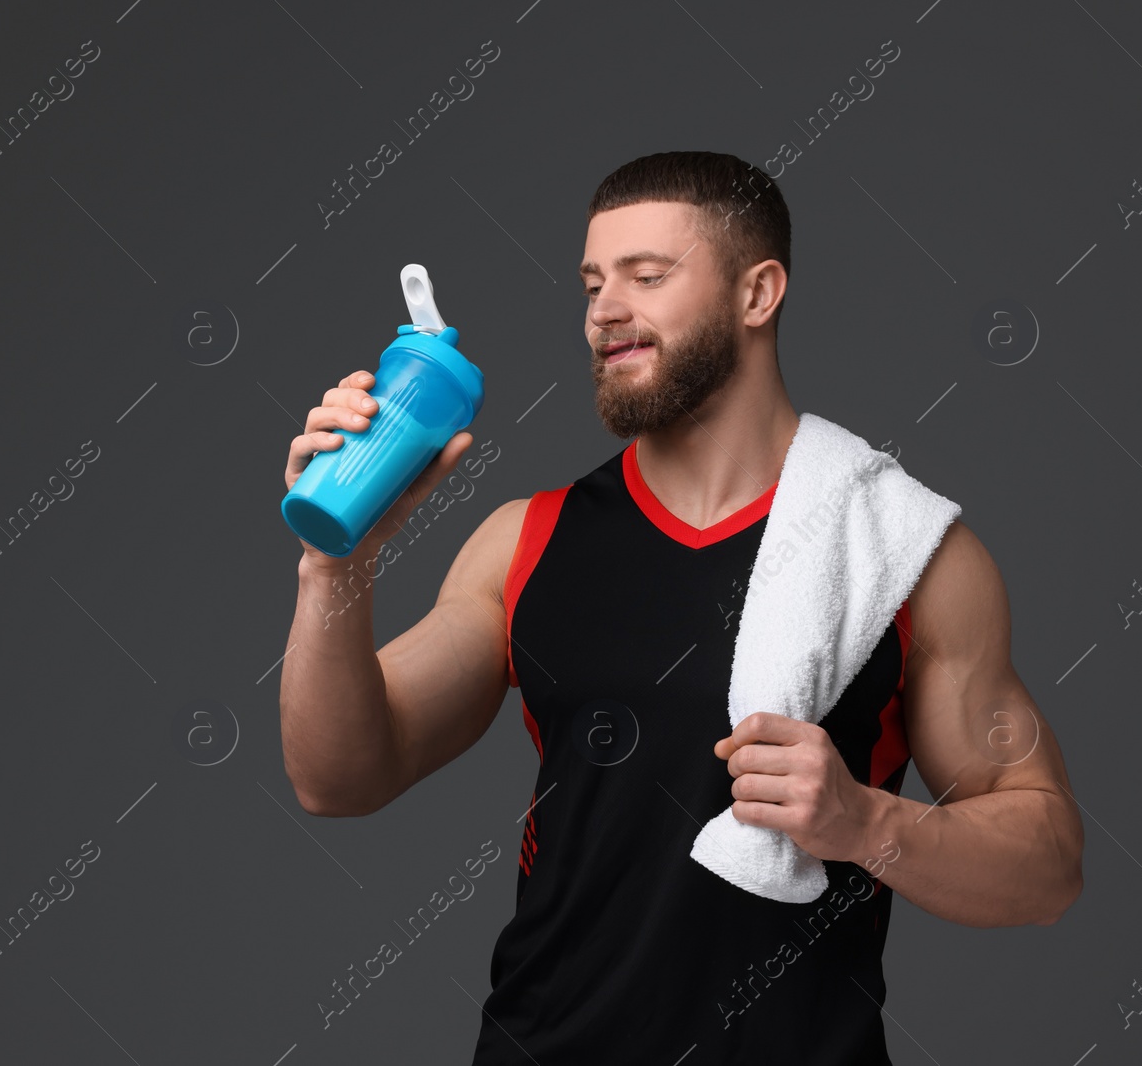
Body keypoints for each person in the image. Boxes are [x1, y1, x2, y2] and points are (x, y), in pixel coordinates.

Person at [278, 150, 1083, 1064]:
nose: (602, 312)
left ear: (758, 293)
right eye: (591, 284)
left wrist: (867, 823)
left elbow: (1048, 862)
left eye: (646, 276)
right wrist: (333, 563)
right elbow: (338, 777)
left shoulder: (903, 556)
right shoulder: (525, 541)